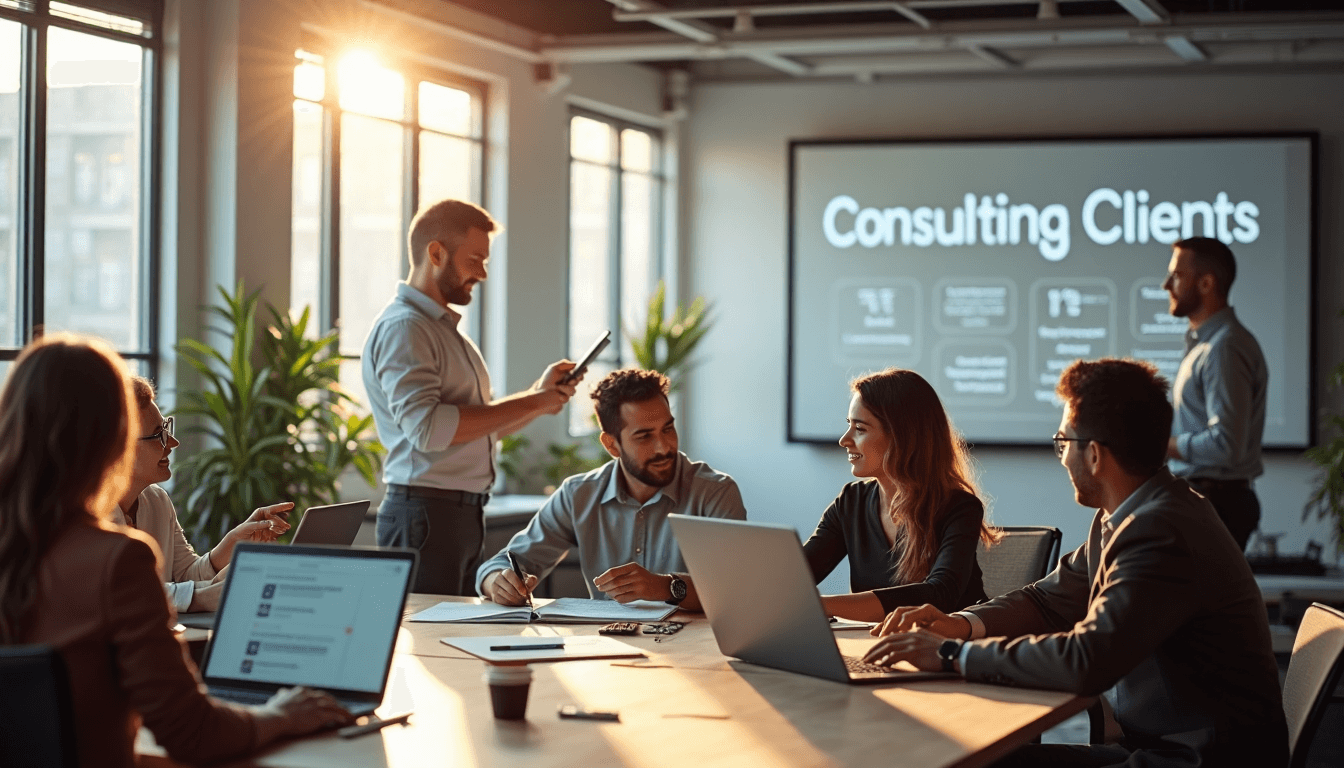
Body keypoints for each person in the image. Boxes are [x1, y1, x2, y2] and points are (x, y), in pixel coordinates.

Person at [863, 358, 1287, 767]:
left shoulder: (1159, 530)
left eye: (1063, 442)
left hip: (1194, 759)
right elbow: (1048, 600)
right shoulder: (1130, 513)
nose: (1061, 456)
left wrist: (953, 655)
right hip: (1161, 747)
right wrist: (960, 623)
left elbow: (1087, 660)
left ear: (1096, 455)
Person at [0, 335, 353, 768]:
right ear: (112, 441)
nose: (170, 443)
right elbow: (193, 734)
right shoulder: (117, 560)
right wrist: (280, 715)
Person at [363, 199, 581, 595]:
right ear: (436, 253)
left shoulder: (443, 330)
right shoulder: (406, 329)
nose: (481, 273)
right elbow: (429, 430)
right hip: (426, 516)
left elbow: (479, 429)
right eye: (475, 259)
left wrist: (540, 396)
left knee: (455, 639)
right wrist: (534, 402)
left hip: (452, 515)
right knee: (434, 641)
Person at [477, 369, 746, 611]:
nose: (663, 447)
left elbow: (735, 591)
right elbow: (501, 566)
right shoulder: (578, 494)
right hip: (608, 649)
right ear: (612, 445)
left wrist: (662, 587)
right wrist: (498, 584)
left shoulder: (715, 492)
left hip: (695, 649)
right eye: (644, 436)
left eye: (668, 429)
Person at [805, 368, 995, 623]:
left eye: (859, 428)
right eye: (848, 425)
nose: (844, 440)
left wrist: (822, 605)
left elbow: (941, 594)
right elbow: (798, 578)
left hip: (950, 651)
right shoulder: (850, 502)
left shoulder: (959, 507)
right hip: (878, 647)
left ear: (902, 437)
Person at [111, 376, 293, 613]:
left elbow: (185, 576)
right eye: (159, 436)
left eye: (167, 428)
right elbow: (118, 594)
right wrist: (202, 597)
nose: (173, 442)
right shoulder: (85, 518)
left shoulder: (156, 500)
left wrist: (232, 544)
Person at [1162, 236, 1268, 551]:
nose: (1166, 284)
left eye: (1177, 275)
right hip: (1207, 499)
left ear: (1207, 283)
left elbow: (1226, 445)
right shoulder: (1206, 344)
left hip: (1218, 502)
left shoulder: (1225, 347)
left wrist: (1162, 445)